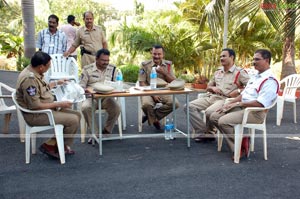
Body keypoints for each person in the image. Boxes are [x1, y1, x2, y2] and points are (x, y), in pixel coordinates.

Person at [210, 49, 279, 160]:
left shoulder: (270, 80)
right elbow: (244, 94)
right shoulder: (255, 77)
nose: (253, 62)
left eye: (257, 59)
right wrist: (230, 103)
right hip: (242, 107)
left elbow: (261, 104)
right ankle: (241, 141)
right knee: (214, 116)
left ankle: (238, 149)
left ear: (266, 60)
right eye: (253, 59)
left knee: (223, 121)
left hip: (255, 112)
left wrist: (238, 103)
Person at [15, 51, 81, 159]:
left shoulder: (35, 71)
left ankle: (52, 144)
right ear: (41, 67)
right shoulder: (29, 79)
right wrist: (59, 103)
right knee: (73, 119)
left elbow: (42, 89)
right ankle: (57, 146)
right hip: (36, 115)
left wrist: (57, 83)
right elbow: (35, 105)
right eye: (48, 66)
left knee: (78, 115)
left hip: (45, 110)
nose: (49, 68)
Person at [184, 48, 249, 142]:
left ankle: (209, 133)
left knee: (209, 112)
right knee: (188, 106)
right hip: (211, 97)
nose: (221, 58)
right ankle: (203, 132)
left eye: (224, 56)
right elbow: (208, 87)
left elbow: (251, 87)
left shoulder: (240, 72)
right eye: (220, 56)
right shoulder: (218, 71)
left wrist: (238, 91)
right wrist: (213, 88)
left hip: (225, 100)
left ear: (231, 57)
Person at [79, 48, 121, 144]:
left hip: (107, 97)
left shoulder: (113, 69)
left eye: (107, 60)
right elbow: (81, 86)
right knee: (86, 107)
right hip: (92, 97)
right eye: (103, 60)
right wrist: (87, 90)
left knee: (116, 108)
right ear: (96, 59)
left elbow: (117, 84)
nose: (106, 62)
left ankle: (106, 131)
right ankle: (95, 134)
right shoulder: (87, 69)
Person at [138, 45, 179, 130]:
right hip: (148, 90)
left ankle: (153, 117)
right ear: (151, 53)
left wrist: (165, 73)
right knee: (146, 105)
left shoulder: (167, 65)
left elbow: (173, 82)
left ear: (163, 54)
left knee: (175, 103)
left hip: (164, 90)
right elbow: (142, 82)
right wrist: (153, 94)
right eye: (154, 54)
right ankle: (154, 119)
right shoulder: (145, 65)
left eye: (159, 54)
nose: (156, 56)